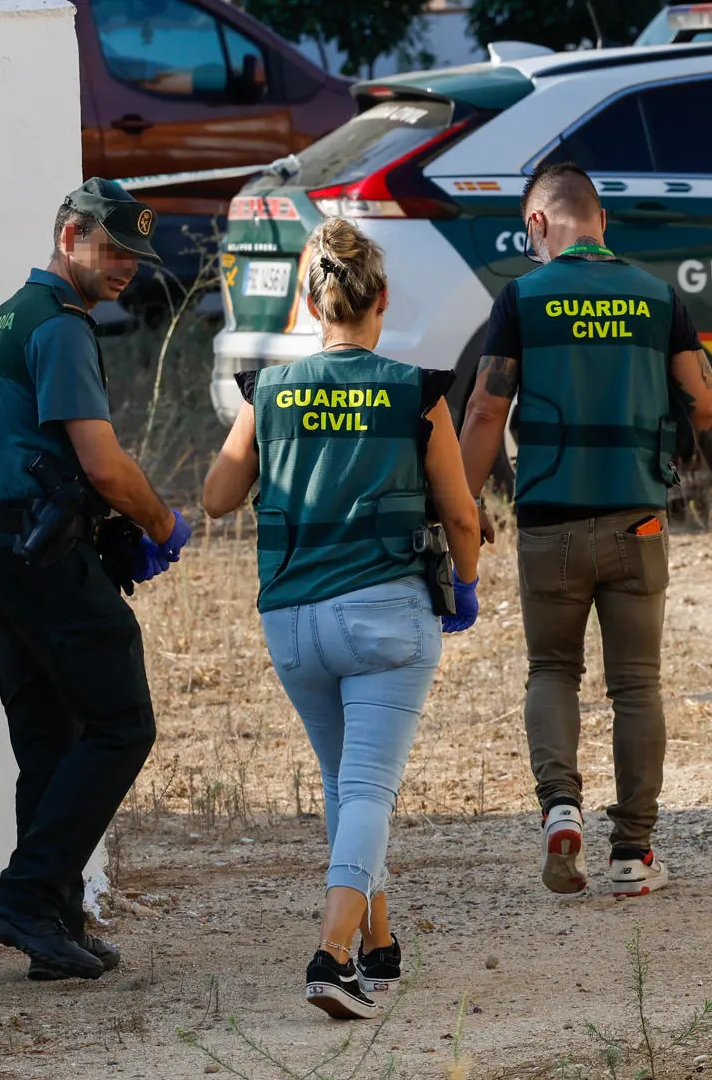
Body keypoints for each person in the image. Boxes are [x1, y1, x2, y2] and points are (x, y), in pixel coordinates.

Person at [203, 218, 482, 1020]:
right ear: (381, 299)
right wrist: (464, 584)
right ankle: (330, 958)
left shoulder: (270, 391)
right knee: (368, 790)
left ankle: (379, 943)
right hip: (386, 618)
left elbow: (220, 497)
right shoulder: (414, 391)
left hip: (293, 621)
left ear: (307, 299)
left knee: (345, 786)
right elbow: (461, 516)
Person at [458, 160, 712, 900]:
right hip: (638, 521)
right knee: (636, 686)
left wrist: (463, 506)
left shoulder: (522, 298)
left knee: (552, 670)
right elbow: (707, 407)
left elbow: (486, 411)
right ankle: (633, 854)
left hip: (549, 526)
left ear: (538, 225)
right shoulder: (658, 298)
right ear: (600, 224)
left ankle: (562, 808)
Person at [0, 178, 194, 981]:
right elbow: (101, 463)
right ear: (70, 235)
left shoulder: (8, 317)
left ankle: (51, 924)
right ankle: (25, 897)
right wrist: (163, 523)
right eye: (113, 249)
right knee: (122, 724)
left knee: (50, 743)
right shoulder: (60, 327)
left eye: (136, 255)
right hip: (47, 553)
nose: (127, 266)